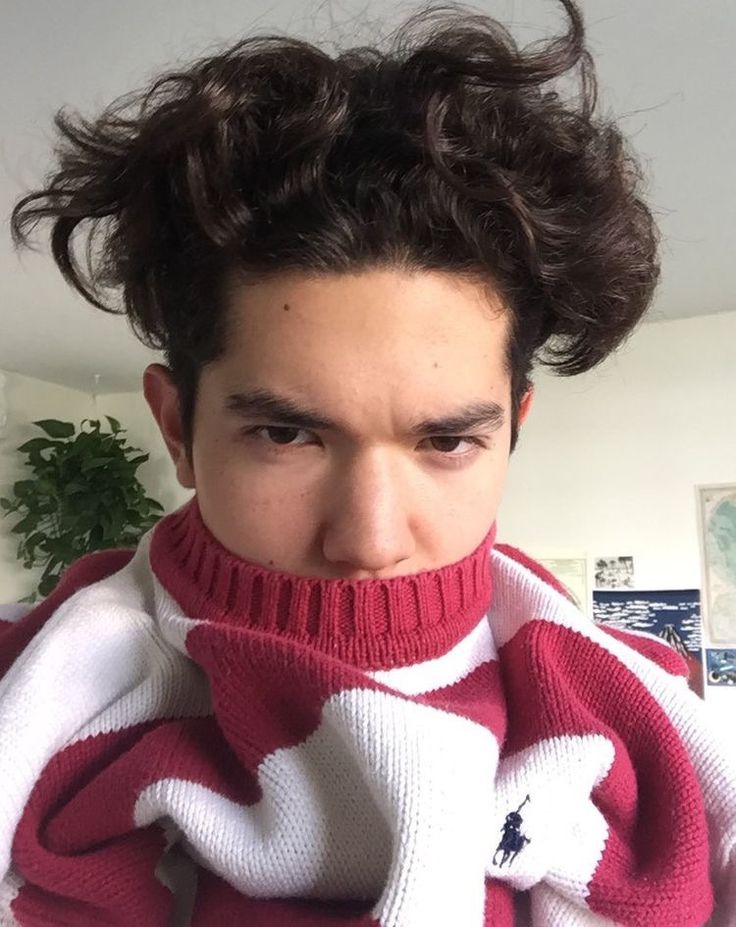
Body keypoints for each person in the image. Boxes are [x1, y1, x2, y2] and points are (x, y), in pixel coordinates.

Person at [2, 1, 735, 924]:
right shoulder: (26, 691)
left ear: (514, 429)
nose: (370, 539)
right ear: (176, 426)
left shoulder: (658, 714)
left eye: (446, 441)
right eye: (287, 434)